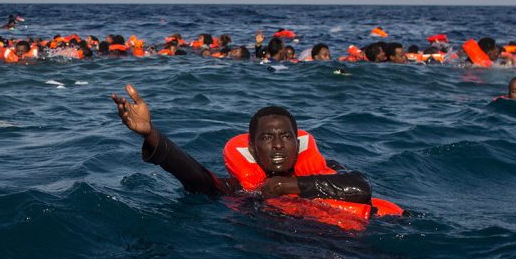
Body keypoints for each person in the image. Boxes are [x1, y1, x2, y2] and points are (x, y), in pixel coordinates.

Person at [111, 85, 375, 203]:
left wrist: (286, 186)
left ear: (297, 143)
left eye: (286, 137)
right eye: (267, 138)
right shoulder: (240, 189)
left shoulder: (324, 170)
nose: (278, 145)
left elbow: (361, 188)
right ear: (251, 148)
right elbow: (194, 176)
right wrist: (150, 134)